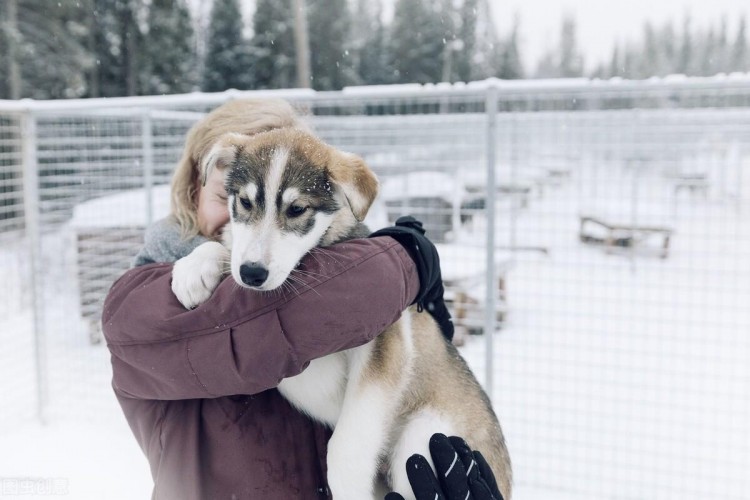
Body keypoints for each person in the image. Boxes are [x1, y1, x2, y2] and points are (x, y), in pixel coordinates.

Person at [102, 99, 499, 499]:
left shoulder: (325, 257)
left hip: (431, 420)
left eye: (292, 208)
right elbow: (279, 312)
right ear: (194, 188)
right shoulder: (134, 301)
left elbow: (374, 337)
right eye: (234, 200)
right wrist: (405, 261)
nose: (253, 250)